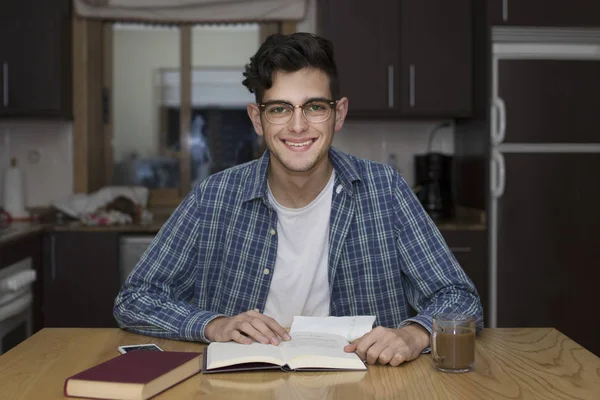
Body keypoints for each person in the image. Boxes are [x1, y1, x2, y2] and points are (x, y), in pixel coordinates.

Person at [114, 32, 483, 367]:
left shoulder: (385, 189)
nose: (297, 126)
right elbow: (135, 299)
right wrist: (213, 324)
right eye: (279, 109)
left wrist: (411, 335)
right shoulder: (213, 197)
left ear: (338, 113)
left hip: (368, 387)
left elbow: (460, 298)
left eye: (314, 107)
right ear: (257, 119)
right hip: (242, 388)